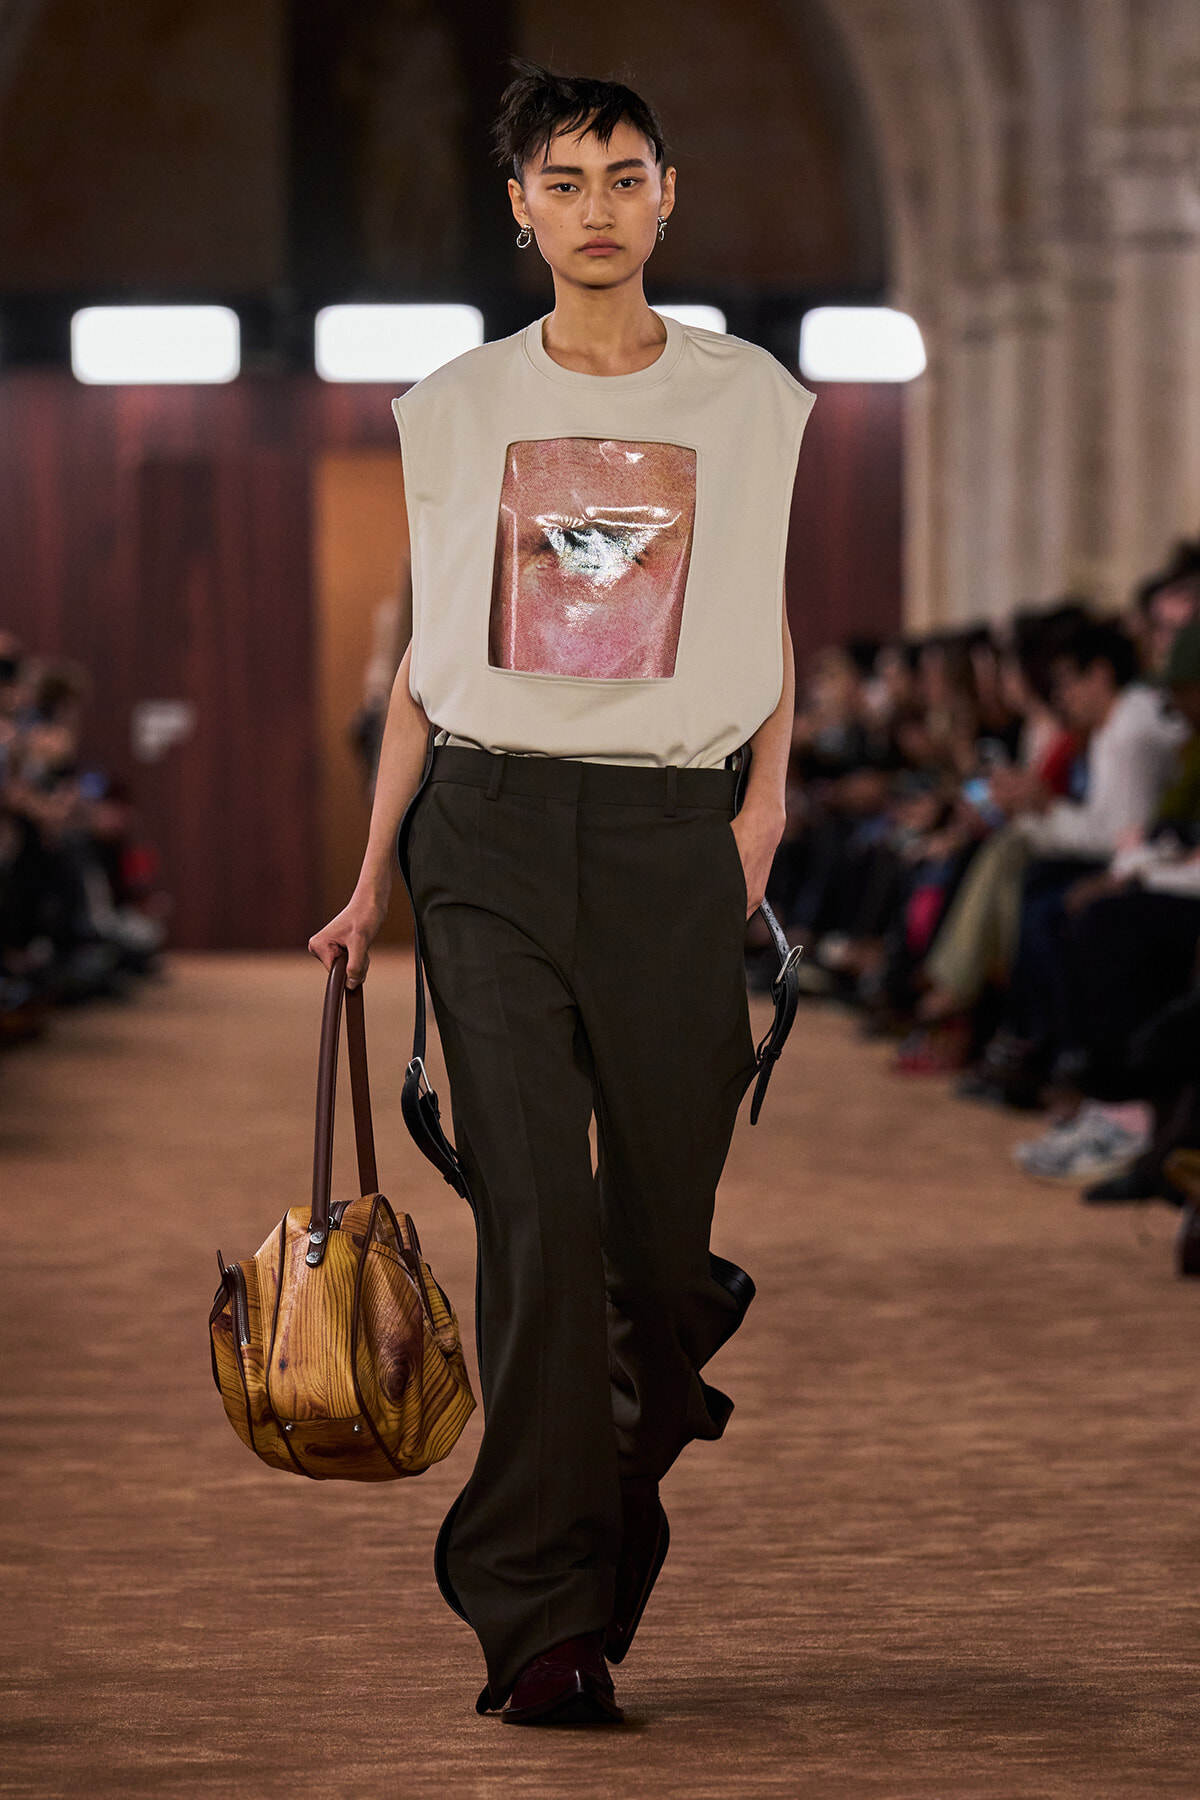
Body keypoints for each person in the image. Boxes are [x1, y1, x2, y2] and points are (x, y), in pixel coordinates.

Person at [308, 62, 814, 1727]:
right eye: (565, 180)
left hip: (676, 840)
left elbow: (767, 610)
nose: (597, 207)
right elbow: (425, 659)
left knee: (656, 1259)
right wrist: (373, 877)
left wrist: (764, 809)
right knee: (536, 1220)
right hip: (492, 834)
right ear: (520, 207)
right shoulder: (454, 407)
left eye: (624, 175)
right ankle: (540, 1617)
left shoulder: (752, 400)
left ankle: (612, 1461)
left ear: (668, 196)